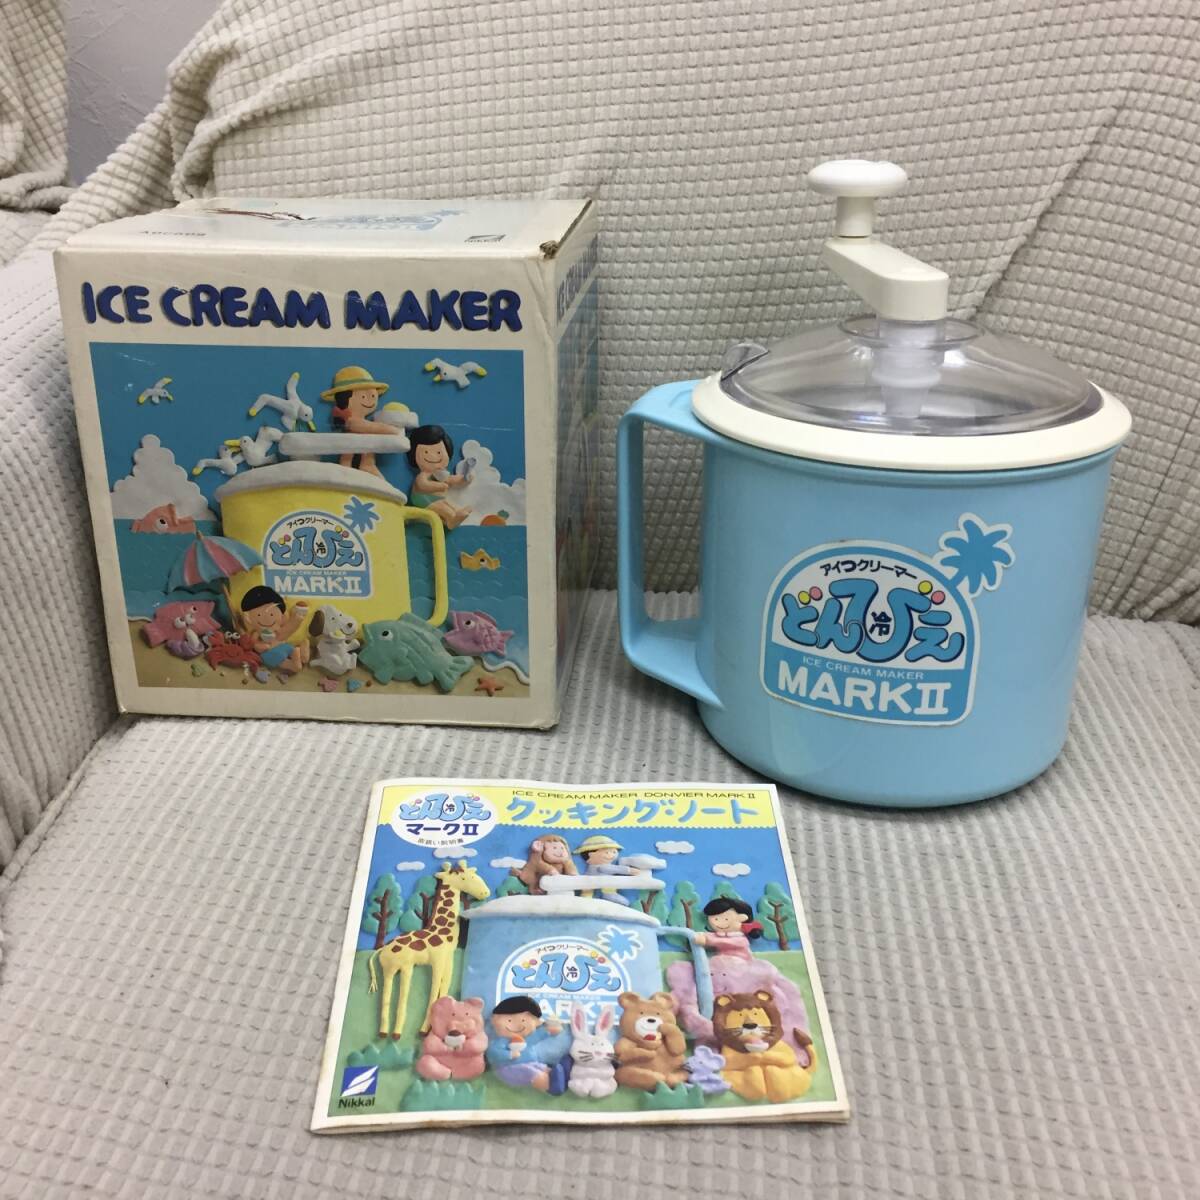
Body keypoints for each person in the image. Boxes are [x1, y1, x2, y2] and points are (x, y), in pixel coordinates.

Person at [320, 365, 402, 478]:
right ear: (345, 398)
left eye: (373, 395)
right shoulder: (352, 421)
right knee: (346, 460)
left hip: (365, 462)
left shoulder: (355, 421)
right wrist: (393, 430)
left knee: (362, 458)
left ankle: (367, 464)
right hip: (348, 464)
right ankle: (358, 466)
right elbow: (371, 427)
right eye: (363, 397)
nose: (370, 400)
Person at [485, 997, 570, 1093]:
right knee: (533, 1073)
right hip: (509, 1069)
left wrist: (550, 1029)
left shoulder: (528, 1038)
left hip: (531, 1063)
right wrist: (509, 1054)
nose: (518, 1025)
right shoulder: (501, 1042)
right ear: (495, 1020)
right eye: (509, 1021)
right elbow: (494, 1053)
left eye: (523, 1021)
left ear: (536, 1022)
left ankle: (558, 1077)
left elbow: (539, 1035)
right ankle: (551, 1088)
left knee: (543, 1068)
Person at [406, 425, 472, 528]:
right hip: (423, 499)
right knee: (444, 509)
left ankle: (455, 516)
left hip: (437, 499)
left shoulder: (441, 473)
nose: (433, 456)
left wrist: (465, 478)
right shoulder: (423, 475)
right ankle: (451, 521)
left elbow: (452, 480)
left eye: (439, 452)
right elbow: (423, 485)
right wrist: (440, 486)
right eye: (426, 452)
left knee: (450, 507)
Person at [236, 585, 310, 673]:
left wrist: (296, 620)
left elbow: (287, 630)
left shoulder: (277, 629)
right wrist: (263, 646)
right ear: (248, 618)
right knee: (285, 659)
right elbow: (255, 644)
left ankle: (299, 657)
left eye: (272, 614)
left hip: (283, 647)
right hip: (270, 653)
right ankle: (295, 663)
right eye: (259, 615)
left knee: (292, 649)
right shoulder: (257, 633)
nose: (267, 618)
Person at [575, 834, 640, 905]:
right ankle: (608, 894)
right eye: (607, 852)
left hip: (589, 882)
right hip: (604, 885)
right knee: (611, 892)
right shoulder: (603, 867)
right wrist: (630, 870)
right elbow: (616, 869)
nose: (612, 855)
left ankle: (586, 896)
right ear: (590, 854)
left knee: (587, 892)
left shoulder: (591, 868)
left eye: (614, 852)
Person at [693, 896, 763, 960]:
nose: (719, 923)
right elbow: (713, 936)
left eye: (726, 919)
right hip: (724, 961)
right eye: (716, 919)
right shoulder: (720, 934)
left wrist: (707, 940)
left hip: (741, 961)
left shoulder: (740, 938)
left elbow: (726, 942)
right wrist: (702, 935)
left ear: (742, 918)